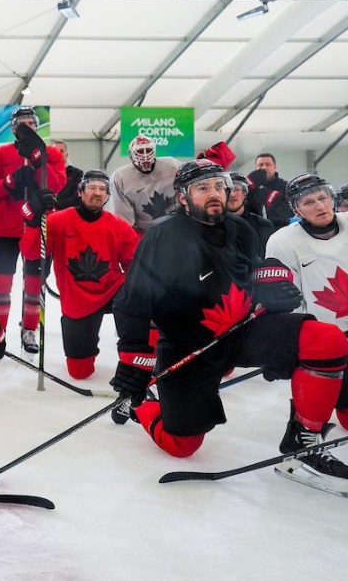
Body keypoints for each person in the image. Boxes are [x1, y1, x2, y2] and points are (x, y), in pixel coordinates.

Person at [111, 159, 348, 494]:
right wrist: (135, 363)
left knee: (327, 339)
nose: (215, 194)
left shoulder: (241, 230)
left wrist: (273, 290)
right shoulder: (162, 238)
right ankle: (142, 405)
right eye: (203, 188)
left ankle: (303, 441)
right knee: (182, 445)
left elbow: (253, 277)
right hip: (189, 347)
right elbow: (132, 303)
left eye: (219, 187)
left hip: (242, 332)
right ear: (183, 197)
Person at [21, 170, 138, 379]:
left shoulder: (120, 227)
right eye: (92, 187)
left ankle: (137, 358)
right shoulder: (57, 221)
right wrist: (32, 220)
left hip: (113, 290)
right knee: (79, 372)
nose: (97, 193)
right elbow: (31, 253)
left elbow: (134, 267)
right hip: (77, 300)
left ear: (108, 196)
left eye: (103, 189)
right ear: (80, 192)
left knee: (142, 299)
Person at [0, 106, 66, 358]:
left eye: (31, 122)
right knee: (0, 285)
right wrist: (10, 181)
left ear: (37, 126)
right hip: (4, 229)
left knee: (33, 284)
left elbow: (58, 185)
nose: (27, 126)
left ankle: (29, 330)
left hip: (37, 228)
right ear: (13, 128)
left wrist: (40, 164)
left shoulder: (51, 155)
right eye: (22, 122)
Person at [266, 174, 348, 428]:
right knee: (324, 411)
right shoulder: (282, 241)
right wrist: (285, 346)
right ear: (296, 209)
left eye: (323, 198)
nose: (320, 206)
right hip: (322, 338)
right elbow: (285, 299)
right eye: (309, 202)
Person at [108, 135, 181, 237]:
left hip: (176, 226)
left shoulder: (173, 166)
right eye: (140, 151)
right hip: (145, 231)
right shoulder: (120, 178)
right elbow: (124, 218)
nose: (145, 155)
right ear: (131, 154)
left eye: (148, 150)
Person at [227, 171, 275, 256]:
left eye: (236, 189)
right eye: (228, 190)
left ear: (245, 193)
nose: (232, 194)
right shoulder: (212, 225)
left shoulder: (262, 224)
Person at [245, 153, 294, 229]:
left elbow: (291, 211)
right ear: (255, 168)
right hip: (254, 231)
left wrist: (272, 199)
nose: (264, 168)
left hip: (280, 230)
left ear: (275, 167)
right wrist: (249, 185)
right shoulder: (247, 187)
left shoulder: (285, 186)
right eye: (260, 165)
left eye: (268, 164)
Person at [50, 139, 84, 212]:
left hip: (67, 215)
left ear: (66, 155)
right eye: (55, 151)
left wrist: (56, 206)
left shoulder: (77, 173)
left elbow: (77, 197)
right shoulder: (45, 173)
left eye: (61, 151)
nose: (58, 153)